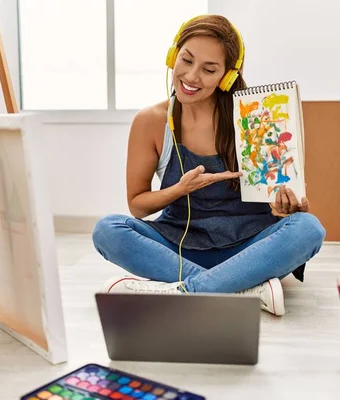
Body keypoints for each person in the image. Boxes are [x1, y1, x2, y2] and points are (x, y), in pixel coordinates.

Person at [92, 14, 326, 316]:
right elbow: (138, 206)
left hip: (249, 249)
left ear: (227, 76)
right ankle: (243, 288)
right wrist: (180, 189)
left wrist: (283, 207)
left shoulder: (256, 117)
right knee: (107, 229)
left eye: (209, 69)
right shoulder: (150, 122)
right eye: (186, 60)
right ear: (172, 56)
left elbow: (278, 203)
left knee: (308, 228)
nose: (191, 77)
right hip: (178, 247)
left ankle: (187, 290)